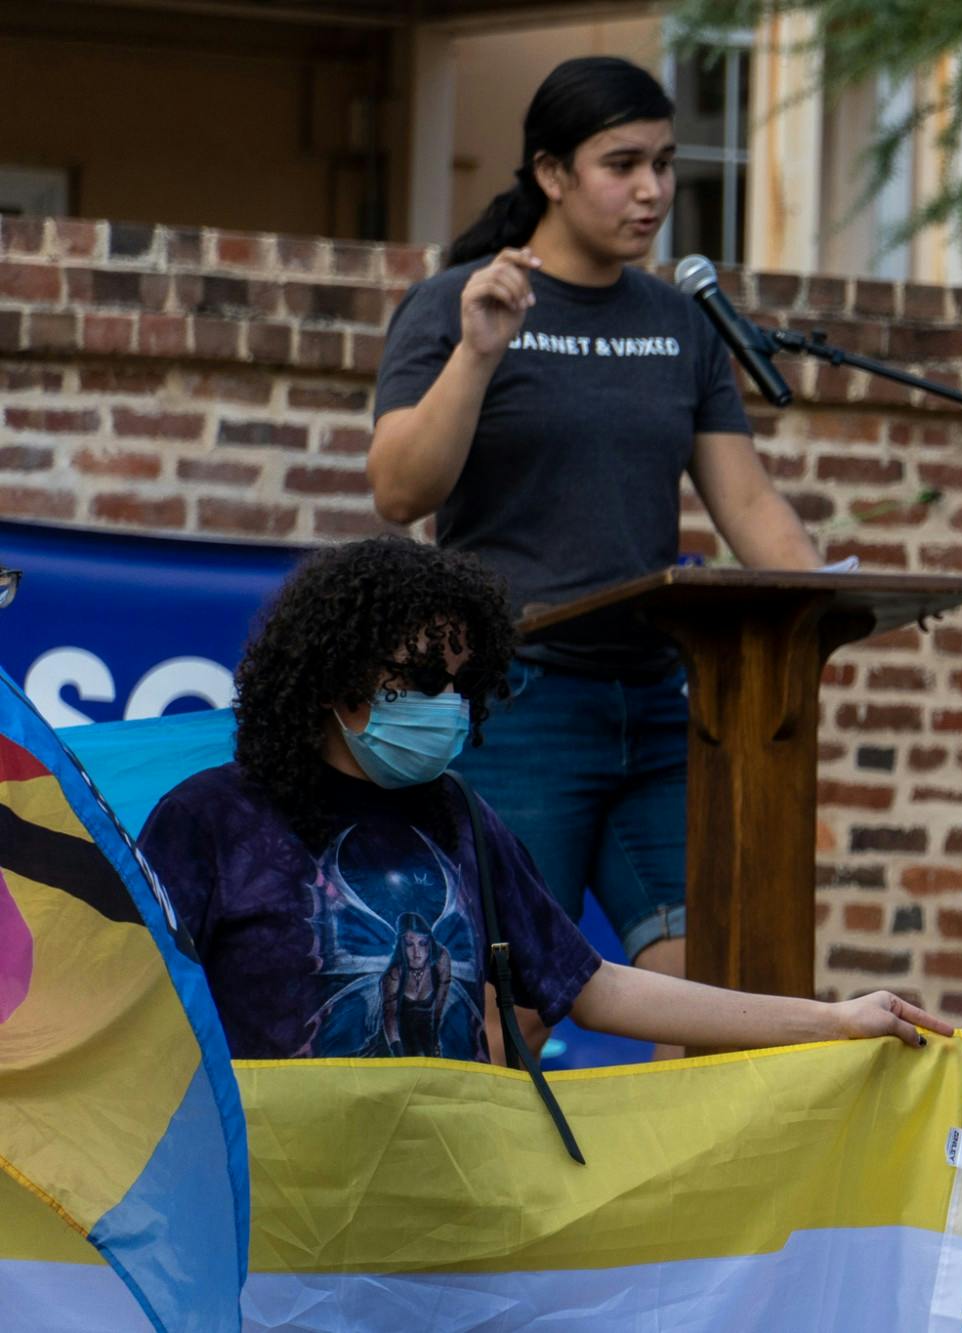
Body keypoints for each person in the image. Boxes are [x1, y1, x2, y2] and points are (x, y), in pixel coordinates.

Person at [367, 56, 823, 1054]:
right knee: (505, 1008)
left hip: (663, 708)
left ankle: (680, 1211)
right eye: (623, 164)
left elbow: (746, 500)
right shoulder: (462, 302)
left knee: (708, 1001)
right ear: (551, 172)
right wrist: (480, 349)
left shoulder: (677, 322)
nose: (654, 190)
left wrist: (822, 608)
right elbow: (401, 488)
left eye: (665, 162)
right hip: (519, 701)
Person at [136, 538, 945, 1063]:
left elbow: (599, 987)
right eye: (419, 680)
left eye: (462, 683)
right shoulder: (208, 821)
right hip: (271, 1243)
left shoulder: (462, 821)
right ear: (332, 673)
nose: (446, 703)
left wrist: (832, 1022)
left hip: (440, 1234)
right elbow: (131, 1017)